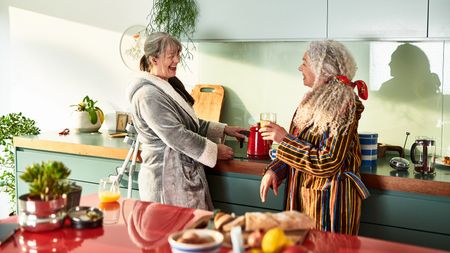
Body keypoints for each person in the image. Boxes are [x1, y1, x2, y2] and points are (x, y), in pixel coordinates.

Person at [259, 40, 370, 235]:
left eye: (304, 62)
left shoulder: (345, 104)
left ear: (322, 68)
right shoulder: (309, 101)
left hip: (331, 203)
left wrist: (283, 140)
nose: (299, 67)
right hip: (301, 199)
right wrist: (276, 170)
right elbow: (299, 145)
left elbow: (328, 161)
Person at [127, 32, 246, 211]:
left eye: (178, 55)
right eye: (171, 56)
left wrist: (224, 130)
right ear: (154, 59)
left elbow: (189, 123)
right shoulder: (149, 95)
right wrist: (214, 151)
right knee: (174, 235)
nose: (177, 60)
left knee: (190, 234)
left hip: (179, 176)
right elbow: (176, 135)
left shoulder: (167, 85)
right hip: (165, 181)